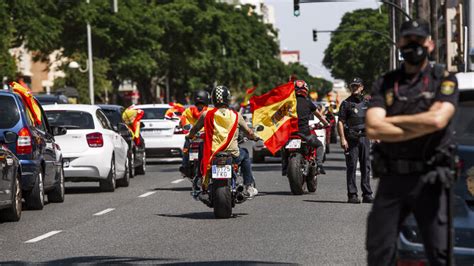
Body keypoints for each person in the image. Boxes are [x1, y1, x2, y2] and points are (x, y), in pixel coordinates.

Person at [365, 19, 458, 265]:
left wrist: (393, 122)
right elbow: (373, 126)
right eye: (408, 40)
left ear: (429, 44)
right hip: (392, 178)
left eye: (419, 40)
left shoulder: (443, 79)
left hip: (430, 177)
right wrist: (421, 125)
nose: (413, 45)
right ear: (400, 42)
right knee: (379, 252)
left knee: (440, 254)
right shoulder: (385, 82)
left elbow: (438, 120)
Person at [188, 86, 259, 198]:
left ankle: (199, 177)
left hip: (212, 154)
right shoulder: (236, 115)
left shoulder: (206, 114)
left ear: (213, 99)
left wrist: (189, 136)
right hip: (233, 155)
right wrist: (255, 137)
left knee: (202, 146)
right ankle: (249, 185)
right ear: (228, 99)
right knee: (245, 153)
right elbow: (249, 132)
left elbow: (194, 129)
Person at [281, 80, 330, 176]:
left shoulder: (288, 104)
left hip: (290, 134)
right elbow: (320, 116)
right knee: (319, 145)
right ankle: (319, 165)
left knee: (283, 148)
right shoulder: (309, 103)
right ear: (305, 90)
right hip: (305, 134)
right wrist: (326, 123)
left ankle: (284, 167)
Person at [337, 77, 373, 204]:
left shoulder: (367, 103)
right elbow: (340, 122)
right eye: (353, 86)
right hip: (351, 139)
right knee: (351, 166)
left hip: (365, 138)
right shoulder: (346, 104)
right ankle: (352, 195)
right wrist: (342, 139)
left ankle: (367, 194)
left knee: (366, 166)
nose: (355, 88)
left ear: (362, 87)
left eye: (357, 86)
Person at [179, 90, 210, 177]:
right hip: (206, 137)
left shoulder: (188, 111)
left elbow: (183, 122)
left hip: (193, 136)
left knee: (186, 146)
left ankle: (185, 166)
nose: (200, 107)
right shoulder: (210, 111)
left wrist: (186, 129)